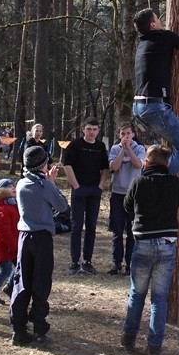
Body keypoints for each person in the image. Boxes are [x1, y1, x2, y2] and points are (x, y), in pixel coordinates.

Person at [119, 145, 179, 355]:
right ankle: (154, 347)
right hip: (167, 244)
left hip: (143, 243)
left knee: (137, 294)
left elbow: (127, 206)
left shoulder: (139, 181)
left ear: (146, 163)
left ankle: (129, 338)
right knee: (159, 299)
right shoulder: (174, 182)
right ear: (166, 164)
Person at [131, 8, 179, 176]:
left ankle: (161, 173)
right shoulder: (164, 36)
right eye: (157, 17)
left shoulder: (142, 43)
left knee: (168, 148)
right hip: (154, 106)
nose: (160, 20)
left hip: (140, 106)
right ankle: (160, 181)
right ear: (153, 24)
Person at [10, 145, 69, 346]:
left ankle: (18, 328)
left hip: (24, 237)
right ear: (43, 165)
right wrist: (52, 182)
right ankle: (39, 328)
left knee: (22, 281)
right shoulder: (44, 185)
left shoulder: (21, 184)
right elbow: (62, 206)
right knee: (41, 283)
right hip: (42, 238)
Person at [62, 117, 109, 275]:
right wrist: (75, 185)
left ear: (98, 131)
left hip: (94, 191)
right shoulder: (75, 145)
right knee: (76, 226)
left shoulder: (101, 146)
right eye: (89, 129)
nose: (92, 132)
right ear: (83, 129)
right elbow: (67, 165)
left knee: (91, 226)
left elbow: (105, 168)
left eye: (95, 129)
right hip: (79, 189)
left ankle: (87, 261)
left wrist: (101, 186)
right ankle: (75, 262)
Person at [107, 122, 144, 275]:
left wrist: (129, 149)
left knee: (132, 231)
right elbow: (113, 168)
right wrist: (123, 150)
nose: (125, 137)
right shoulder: (115, 149)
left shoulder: (140, 149)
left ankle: (130, 264)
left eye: (128, 133)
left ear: (133, 134)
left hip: (134, 195)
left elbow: (138, 165)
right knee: (117, 231)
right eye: (122, 134)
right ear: (119, 135)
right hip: (117, 194)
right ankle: (116, 263)